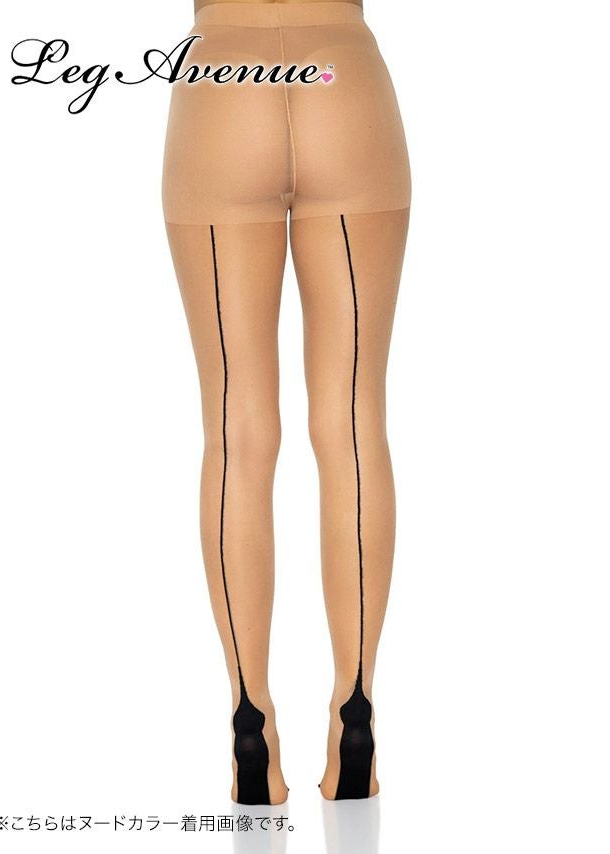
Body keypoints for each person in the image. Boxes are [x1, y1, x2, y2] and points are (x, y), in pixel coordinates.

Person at [162, 0, 411, 805]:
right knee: (353, 419)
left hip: (221, 84)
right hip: (345, 78)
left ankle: (249, 718)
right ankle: (355, 707)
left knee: (236, 430)